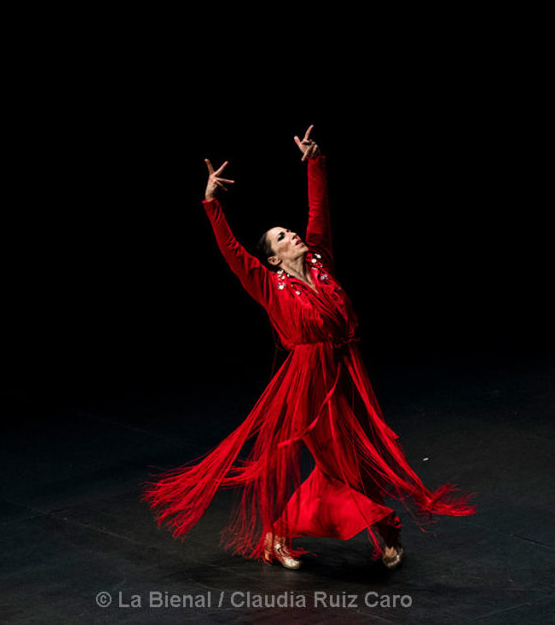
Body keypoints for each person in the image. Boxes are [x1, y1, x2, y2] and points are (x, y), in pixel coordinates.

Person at [140, 126, 475, 569]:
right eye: (280, 237)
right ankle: (381, 533)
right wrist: (211, 203)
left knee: (362, 455)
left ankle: (286, 531)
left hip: (348, 371)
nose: (292, 236)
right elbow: (232, 251)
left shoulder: (320, 259)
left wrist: (314, 163)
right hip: (308, 381)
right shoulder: (266, 284)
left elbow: (319, 211)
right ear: (273, 258)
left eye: (290, 232)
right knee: (338, 461)